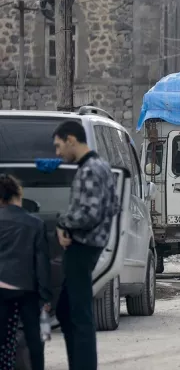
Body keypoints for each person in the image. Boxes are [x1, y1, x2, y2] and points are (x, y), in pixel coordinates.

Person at [52, 121, 120, 370]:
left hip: (82, 248)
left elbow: (90, 214)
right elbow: (112, 207)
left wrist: (63, 223)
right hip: (91, 245)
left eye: (59, 146)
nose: (57, 153)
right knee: (66, 311)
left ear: (71, 139)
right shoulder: (101, 166)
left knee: (79, 315)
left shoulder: (90, 169)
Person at [0, 175, 51, 370]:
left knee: (3, 339)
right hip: (26, 290)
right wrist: (45, 297)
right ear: (17, 195)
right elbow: (41, 264)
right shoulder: (35, 223)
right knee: (33, 339)